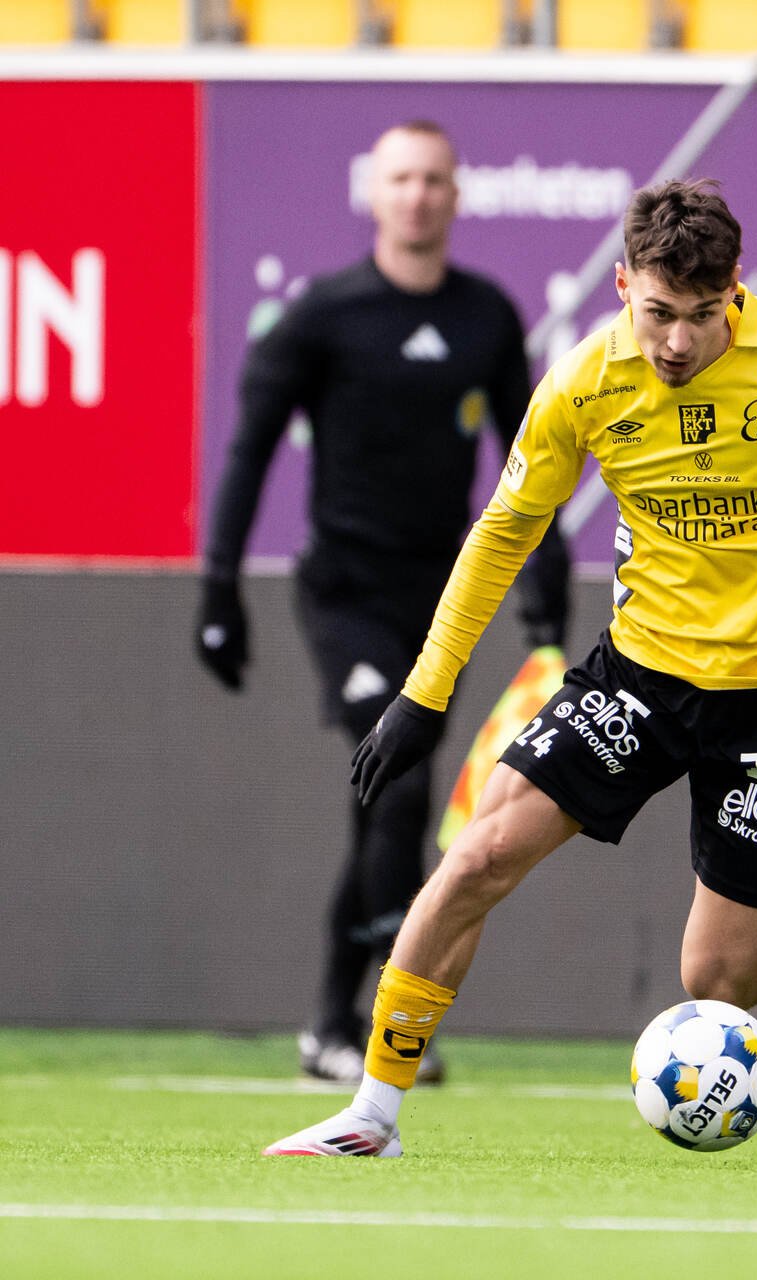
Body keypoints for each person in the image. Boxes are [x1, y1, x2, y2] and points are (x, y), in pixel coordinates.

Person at [262, 178, 757, 1157]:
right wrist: (423, 691)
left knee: (714, 979)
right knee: (477, 855)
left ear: (736, 291)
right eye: (657, 312)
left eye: (702, 316)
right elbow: (501, 534)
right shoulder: (584, 383)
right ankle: (373, 1110)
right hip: (642, 674)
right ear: (622, 285)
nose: (676, 342)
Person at [196, 120, 571, 1084]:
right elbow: (248, 449)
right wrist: (219, 589)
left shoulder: (488, 315)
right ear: (375, 192)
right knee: (396, 784)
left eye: (435, 180)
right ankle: (372, 1026)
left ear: (456, 195)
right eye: (401, 178)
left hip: (435, 600)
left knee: (384, 808)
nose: (417, 195)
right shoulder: (323, 315)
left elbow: (529, 464)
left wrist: (542, 587)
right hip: (344, 595)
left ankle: (335, 1020)